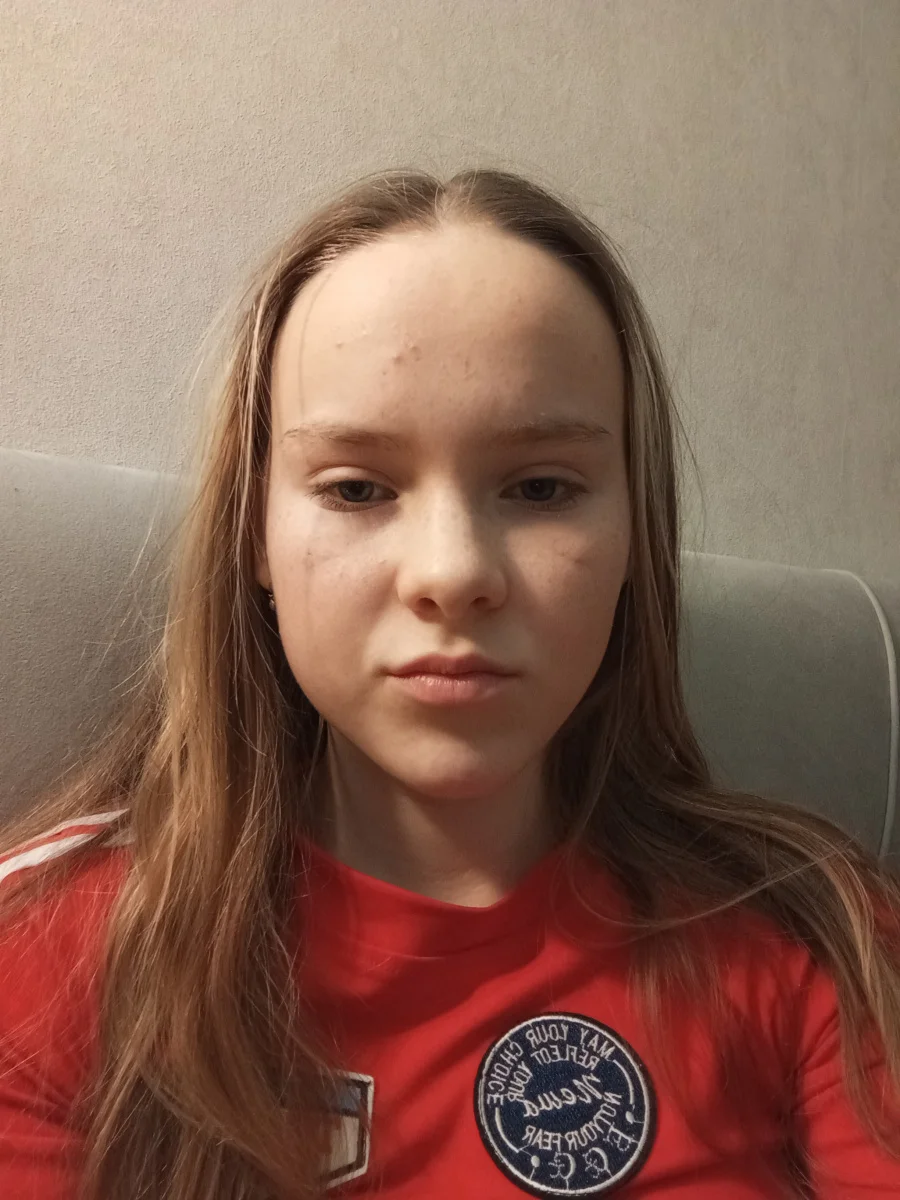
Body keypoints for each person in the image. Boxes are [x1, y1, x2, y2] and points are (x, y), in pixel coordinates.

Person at [0, 167, 898, 1200]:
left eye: (541, 487)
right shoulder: (45, 955)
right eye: (357, 488)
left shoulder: (820, 934)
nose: (453, 572)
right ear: (255, 534)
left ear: (633, 538)